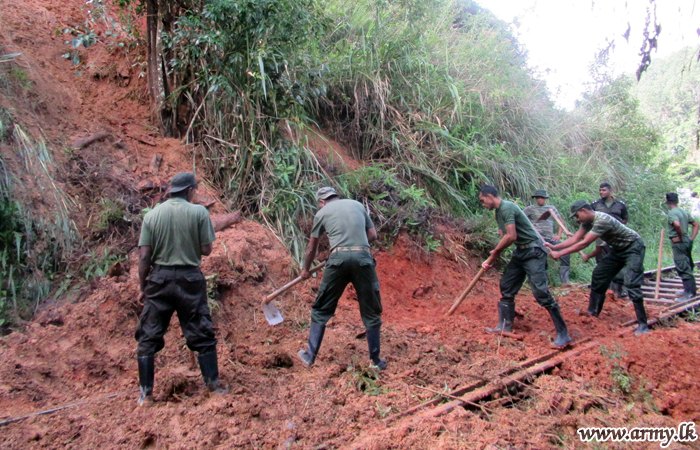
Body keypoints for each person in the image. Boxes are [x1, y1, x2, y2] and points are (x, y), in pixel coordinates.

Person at [135, 172, 226, 406]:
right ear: (189, 191)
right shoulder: (198, 212)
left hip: (159, 279)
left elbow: (144, 256)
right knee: (200, 330)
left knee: (149, 334)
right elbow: (206, 250)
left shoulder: (152, 215)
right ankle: (213, 387)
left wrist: (142, 287)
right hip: (190, 279)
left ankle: (146, 395)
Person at [298, 187, 385, 369]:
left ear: (322, 202)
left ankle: (309, 356)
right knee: (371, 311)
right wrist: (356, 248)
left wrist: (306, 269)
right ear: (336, 196)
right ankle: (376, 361)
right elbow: (373, 235)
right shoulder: (358, 205)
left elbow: (311, 247)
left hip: (337, 260)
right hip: (363, 258)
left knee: (321, 309)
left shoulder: (322, 212)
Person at [478, 185, 572, 347]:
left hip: (534, 251)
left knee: (541, 292)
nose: (482, 204)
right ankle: (504, 325)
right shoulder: (498, 213)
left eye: (482, 200)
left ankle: (563, 334)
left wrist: (494, 254)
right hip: (520, 252)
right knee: (507, 285)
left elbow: (511, 236)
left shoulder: (507, 208)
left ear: (489, 196)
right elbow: (504, 238)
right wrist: (494, 257)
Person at [547, 200, 650, 336]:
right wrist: (554, 247)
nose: (577, 220)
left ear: (584, 211)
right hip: (617, 249)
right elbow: (575, 239)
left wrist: (559, 254)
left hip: (633, 247)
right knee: (599, 274)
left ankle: (643, 324)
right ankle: (593, 311)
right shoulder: (587, 222)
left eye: (577, 216)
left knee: (631, 282)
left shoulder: (602, 220)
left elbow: (584, 243)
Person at [523, 189, 572, 285]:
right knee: (541, 257)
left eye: (542, 198)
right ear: (536, 199)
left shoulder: (551, 208)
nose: (540, 200)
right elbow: (521, 218)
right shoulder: (530, 209)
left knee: (566, 252)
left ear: (545, 199)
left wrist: (559, 234)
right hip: (537, 239)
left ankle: (565, 281)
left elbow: (560, 221)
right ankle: (543, 282)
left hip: (550, 239)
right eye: (538, 198)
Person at [590, 183, 629, 297]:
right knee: (601, 261)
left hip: (616, 238)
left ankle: (619, 288)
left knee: (618, 261)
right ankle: (605, 288)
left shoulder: (620, 205)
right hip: (601, 237)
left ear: (610, 191)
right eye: (600, 190)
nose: (601, 192)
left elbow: (625, 219)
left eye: (604, 190)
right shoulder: (595, 205)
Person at [666, 193, 698, 301]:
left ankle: (690, 293)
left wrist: (679, 237)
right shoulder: (683, 211)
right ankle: (688, 290)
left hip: (679, 243)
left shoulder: (672, 213)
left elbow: (677, 224)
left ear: (667, 201)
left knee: (683, 266)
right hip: (686, 241)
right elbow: (696, 224)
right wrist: (691, 238)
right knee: (687, 264)